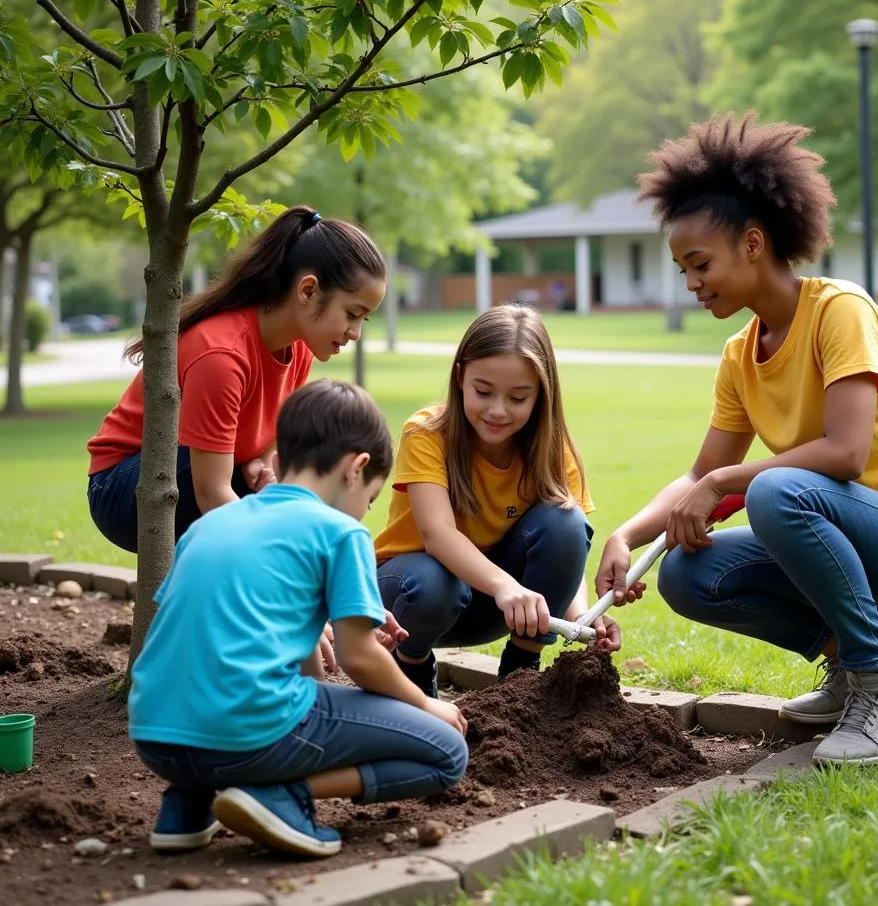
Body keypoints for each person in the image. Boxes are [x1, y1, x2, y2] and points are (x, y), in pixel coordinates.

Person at [597, 113, 878, 766]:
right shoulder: (739, 354)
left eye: (700, 263)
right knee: (691, 572)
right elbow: (704, 473)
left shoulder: (841, 310)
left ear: (753, 243)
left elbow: (846, 453)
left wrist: (726, 484)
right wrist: (628, 534)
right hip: (861, 546)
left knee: (777, 489)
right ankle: (855, 660)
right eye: (682, 268)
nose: (691, 282)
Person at [128, 380, 468, 858]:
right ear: (357, 468)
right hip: (246, 733)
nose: (364, 515)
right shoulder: (341, 531)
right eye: (370, 502)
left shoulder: (209, 525)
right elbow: (359, 657)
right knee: (448, 751)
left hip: (156, 733)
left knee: (241, 710)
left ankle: (184, 807)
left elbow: (201, 626)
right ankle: (280, 793)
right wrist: (426, 705)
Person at [87, 205, 387, 552]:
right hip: (123, 488)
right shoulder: (221, 354)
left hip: (202, 474)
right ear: (307, 291)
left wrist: (261, 461)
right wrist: (292, 555)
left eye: (365, 320)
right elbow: (212, 493)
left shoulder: (299, 348)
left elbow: (269, 434)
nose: (356, 333)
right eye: (353, 314)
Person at [374, 304, 619, 697]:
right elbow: (437, 535)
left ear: (541, 394)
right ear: (460, 377)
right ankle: (412, 667)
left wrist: (582, 620)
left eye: (518, 398)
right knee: (433, 584)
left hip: (493, 604)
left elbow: (565, 549)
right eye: (483, 391)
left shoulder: (552, 453)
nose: (498, 411)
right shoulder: (427, 433)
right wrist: (506, 586)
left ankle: (517, 685)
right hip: (408, 598)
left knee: (565, 521)